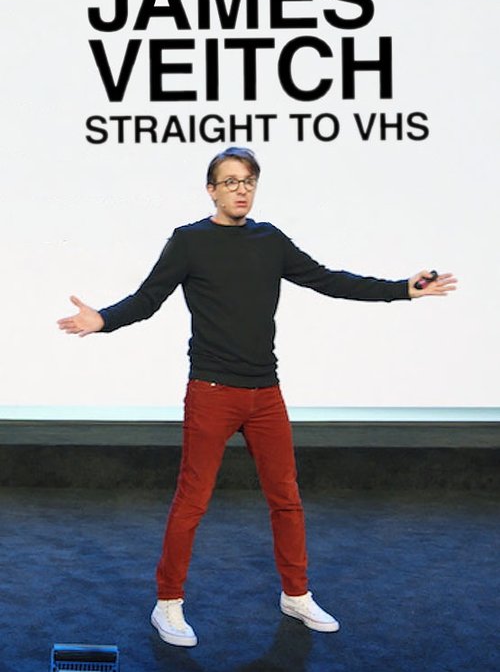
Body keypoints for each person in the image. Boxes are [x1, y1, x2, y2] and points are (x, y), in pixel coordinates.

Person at [57, 147, 457, 648]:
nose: (240, 189)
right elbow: (147, 299)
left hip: (266, 393)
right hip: (212, 391)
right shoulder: (189, 241)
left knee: (286, 499)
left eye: (248, 181)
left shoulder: (270, 240)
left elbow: (330, 280)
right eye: (230, 182)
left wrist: (402, 289)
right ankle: (168, 603)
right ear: (211, 190)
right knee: (192, 501)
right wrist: (103, 319)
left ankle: (296, 594)